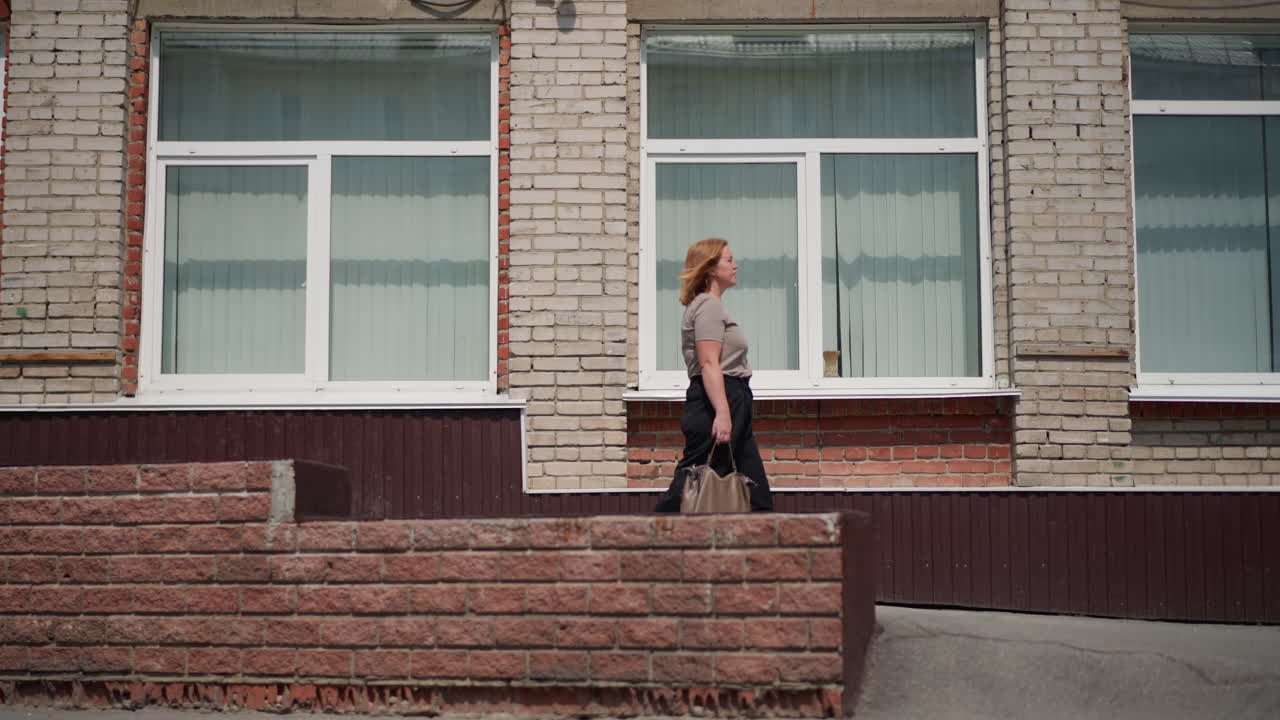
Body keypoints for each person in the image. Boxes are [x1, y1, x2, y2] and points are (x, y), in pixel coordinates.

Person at [655, 238, 773, 512]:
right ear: (710, 269)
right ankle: (646, 544)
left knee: (756, 494)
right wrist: (722, 412)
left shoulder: (709, 306)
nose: (736, 265)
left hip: (731, 397)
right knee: (688, 488)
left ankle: (758, 548)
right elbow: (709, 363)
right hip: (717, 400)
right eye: (728, 260)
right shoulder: (708, 306)